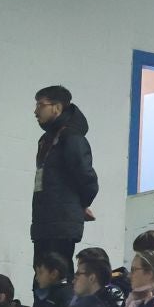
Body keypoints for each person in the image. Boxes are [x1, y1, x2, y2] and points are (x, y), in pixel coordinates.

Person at [31, 84, 98, 267]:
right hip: (45, 221)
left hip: (60, 224)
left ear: (57, 107)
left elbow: (86, 176)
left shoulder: (71, 138)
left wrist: (81, 204)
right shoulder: (47, 140)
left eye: (40, 105)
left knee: (55, 275)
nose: (35, 111)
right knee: (41, 277)